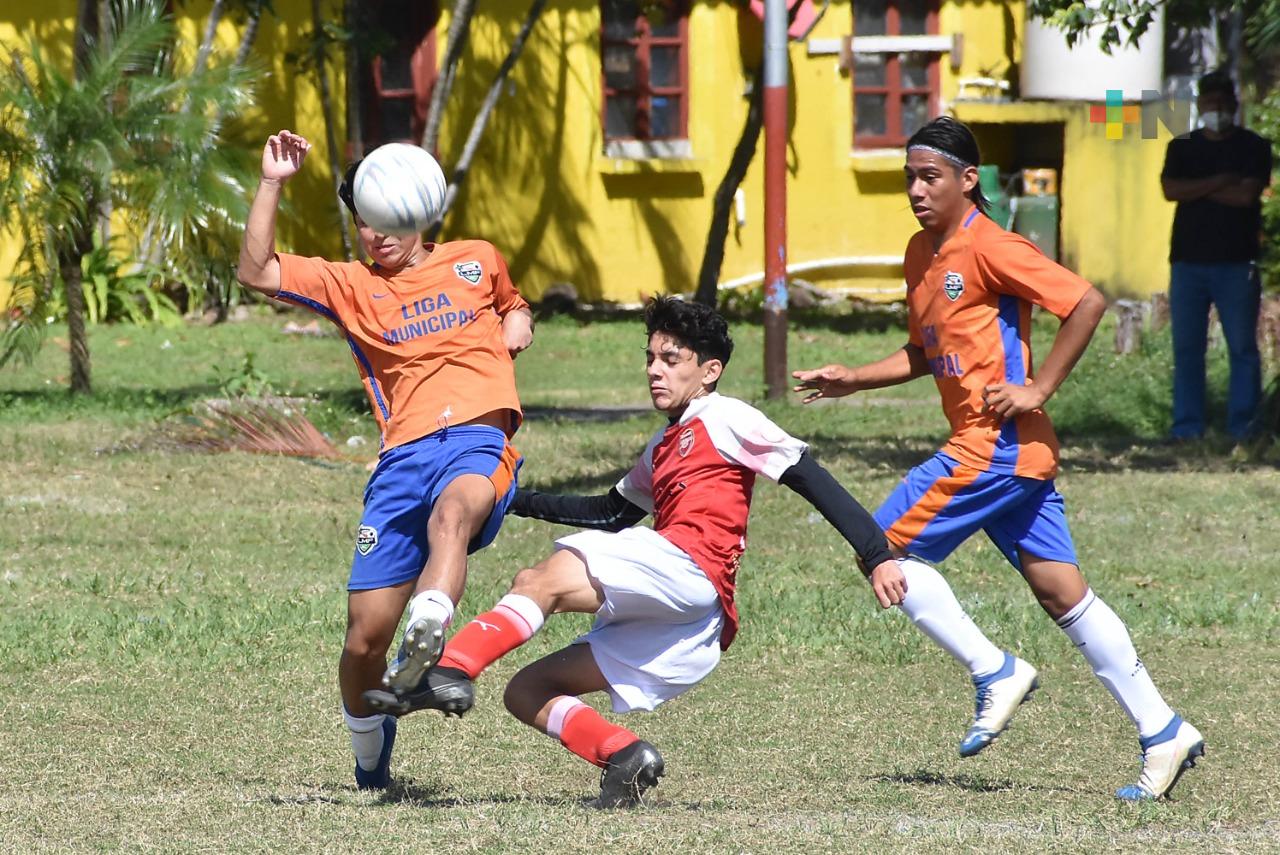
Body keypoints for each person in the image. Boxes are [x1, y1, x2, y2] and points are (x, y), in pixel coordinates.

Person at [793, 116, 1203, 801]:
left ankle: (995, 669)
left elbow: (1086, 301)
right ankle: (1163, 730)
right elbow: (929, 352)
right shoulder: (920, 253)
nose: (918, 190)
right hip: (1018, 456)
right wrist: (855, 377)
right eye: (910, 178)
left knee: (882, 543)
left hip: (996, 444)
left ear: (967, 180)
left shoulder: (994, 247)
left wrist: (1039, 386)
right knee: (1063, 594)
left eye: (931, 177)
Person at [364, 296, 901, 806]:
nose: (655, 370)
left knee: (537, 580)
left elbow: (810, 476)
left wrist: (876, 554)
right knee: (528, 689)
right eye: (650, 358)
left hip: (689, 568)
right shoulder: (664, 445)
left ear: (709, 371)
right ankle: (624, 757)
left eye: (671, 359)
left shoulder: (728, 416)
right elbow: (609, 512)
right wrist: (509, 498)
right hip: (685, 608)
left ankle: (452, 668)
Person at [236, 130, 534, 790]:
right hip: (402, 460)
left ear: (421, 212)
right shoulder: (349, 285)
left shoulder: (475, 260)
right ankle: (372, 759)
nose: (375, 234)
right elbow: (256, 271)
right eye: (364, 221)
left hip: (477, 439)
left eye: (388, 220)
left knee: (453, 516)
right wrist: (272, 181)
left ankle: (431, 622)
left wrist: (521, 318)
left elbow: (513, 303)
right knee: (363, 642)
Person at [1161, 69, 1272, 441]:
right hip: (1187, 263)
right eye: (1210, 102)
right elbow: (1170, 189)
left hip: (1236, 263)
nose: (1217, 108)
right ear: (1199, 105)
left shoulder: (1253, 146)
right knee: (1188, 350)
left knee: (1242, 349)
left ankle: (1244, 428)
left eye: (1223, 102)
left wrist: (1197, 189)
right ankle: (1187, 429)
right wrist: (1222, 181)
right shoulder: (1182, 147)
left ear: (1234, 105)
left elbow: (1246, 196)